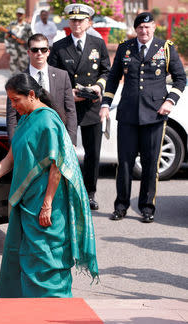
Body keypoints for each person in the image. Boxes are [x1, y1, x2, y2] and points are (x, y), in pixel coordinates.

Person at [0, 73, 98, 298]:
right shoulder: (26, 118)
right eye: (11, 101)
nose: (14, 106)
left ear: (32, 95)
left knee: (47, 257)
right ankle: (23, 308)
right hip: (26, 199)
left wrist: (47, 204)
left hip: (48, 200)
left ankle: (53, 310)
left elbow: (57, 165)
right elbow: (14, 153)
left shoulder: (48, 119)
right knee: (23, 254)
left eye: (16, 100)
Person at [100, 12, 186, 223]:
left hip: (155, 115)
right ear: (135, 29)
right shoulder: (125, 48)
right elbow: (113, 78)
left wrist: (170, 101)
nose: (144, 31)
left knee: (150, 164)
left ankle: (147, 208)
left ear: (154, 28)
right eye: (140, 28)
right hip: (128, 114)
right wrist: (105, 104)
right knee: (125, 164)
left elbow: (180, 78)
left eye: (148, 28)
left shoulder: (165, 48)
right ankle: (121, 206)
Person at [48, 4, 110, 210]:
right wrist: (67, 93)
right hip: (69, 106)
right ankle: (66, 191)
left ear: (88, 23)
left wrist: (98, 87)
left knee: (93, 153)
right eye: (73, 20)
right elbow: (52, 75)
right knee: (66, 151)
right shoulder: (59, 46)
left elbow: (106, 71)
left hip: (92, 105)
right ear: (69, 22)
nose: (77, 24)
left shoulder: (98, 43)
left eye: (81, 20)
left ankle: (90, 193)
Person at [7, 33, 77, 145]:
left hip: (57, 138)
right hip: (28, 139)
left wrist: (71, 141)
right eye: (35, 50)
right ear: (28, 52)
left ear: (48, 52)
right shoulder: (17, 80)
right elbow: (12, 117)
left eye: (43, 49)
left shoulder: (62, 76)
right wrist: (14, 144)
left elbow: (70, 111)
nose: (39, 53)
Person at [4, 7, 32, 75]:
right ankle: (13, 81)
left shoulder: (27, 26)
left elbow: (31, 38)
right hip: (14, 48)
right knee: (12, 65)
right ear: (16, 14)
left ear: (24, 15)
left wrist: (26, 44)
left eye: (21, 14)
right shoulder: (12, 24)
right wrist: (8, 48)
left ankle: (24, 79)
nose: (20, 16)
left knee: (24, 64)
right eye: (18, 14)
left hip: (24, 48)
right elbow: (6, 37)